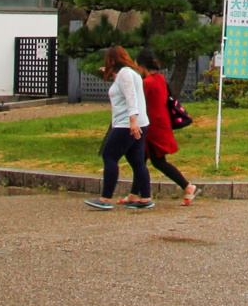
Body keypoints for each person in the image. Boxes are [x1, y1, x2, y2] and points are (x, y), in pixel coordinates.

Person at [85, 45, 152, 210]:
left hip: (126, 124)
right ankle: (145, 198)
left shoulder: (125, 74)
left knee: (109, 156)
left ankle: (105, 198)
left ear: (113, 60)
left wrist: (132, 120)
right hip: (140, 122)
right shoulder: (130, 73)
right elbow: (126, 91)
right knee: (136, 161)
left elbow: (130, 96)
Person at [136, 50, 198, 204]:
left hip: (152, 127)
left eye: (136, 64)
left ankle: (187, 186)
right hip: (161, 124)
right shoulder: (160, 78)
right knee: (141, 160)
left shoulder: (147, 83)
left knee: (157, 161)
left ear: (142, 65)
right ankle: (133, 194)